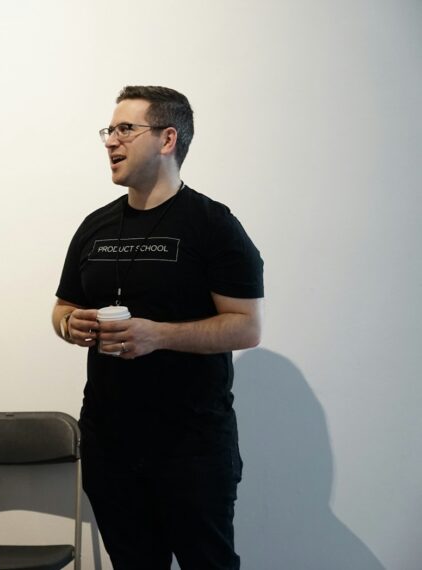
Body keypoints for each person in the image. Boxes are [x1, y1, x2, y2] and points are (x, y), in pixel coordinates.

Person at [52, 86, 264, 569]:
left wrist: (159, 335)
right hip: (110, 441)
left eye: (126, 129)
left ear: (168, 139)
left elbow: (247, 327)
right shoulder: (95, 226)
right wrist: (71, 324)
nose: (110, 141)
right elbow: (62, 307)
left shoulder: (212, 224)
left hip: (191, 445)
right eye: (109, 129)